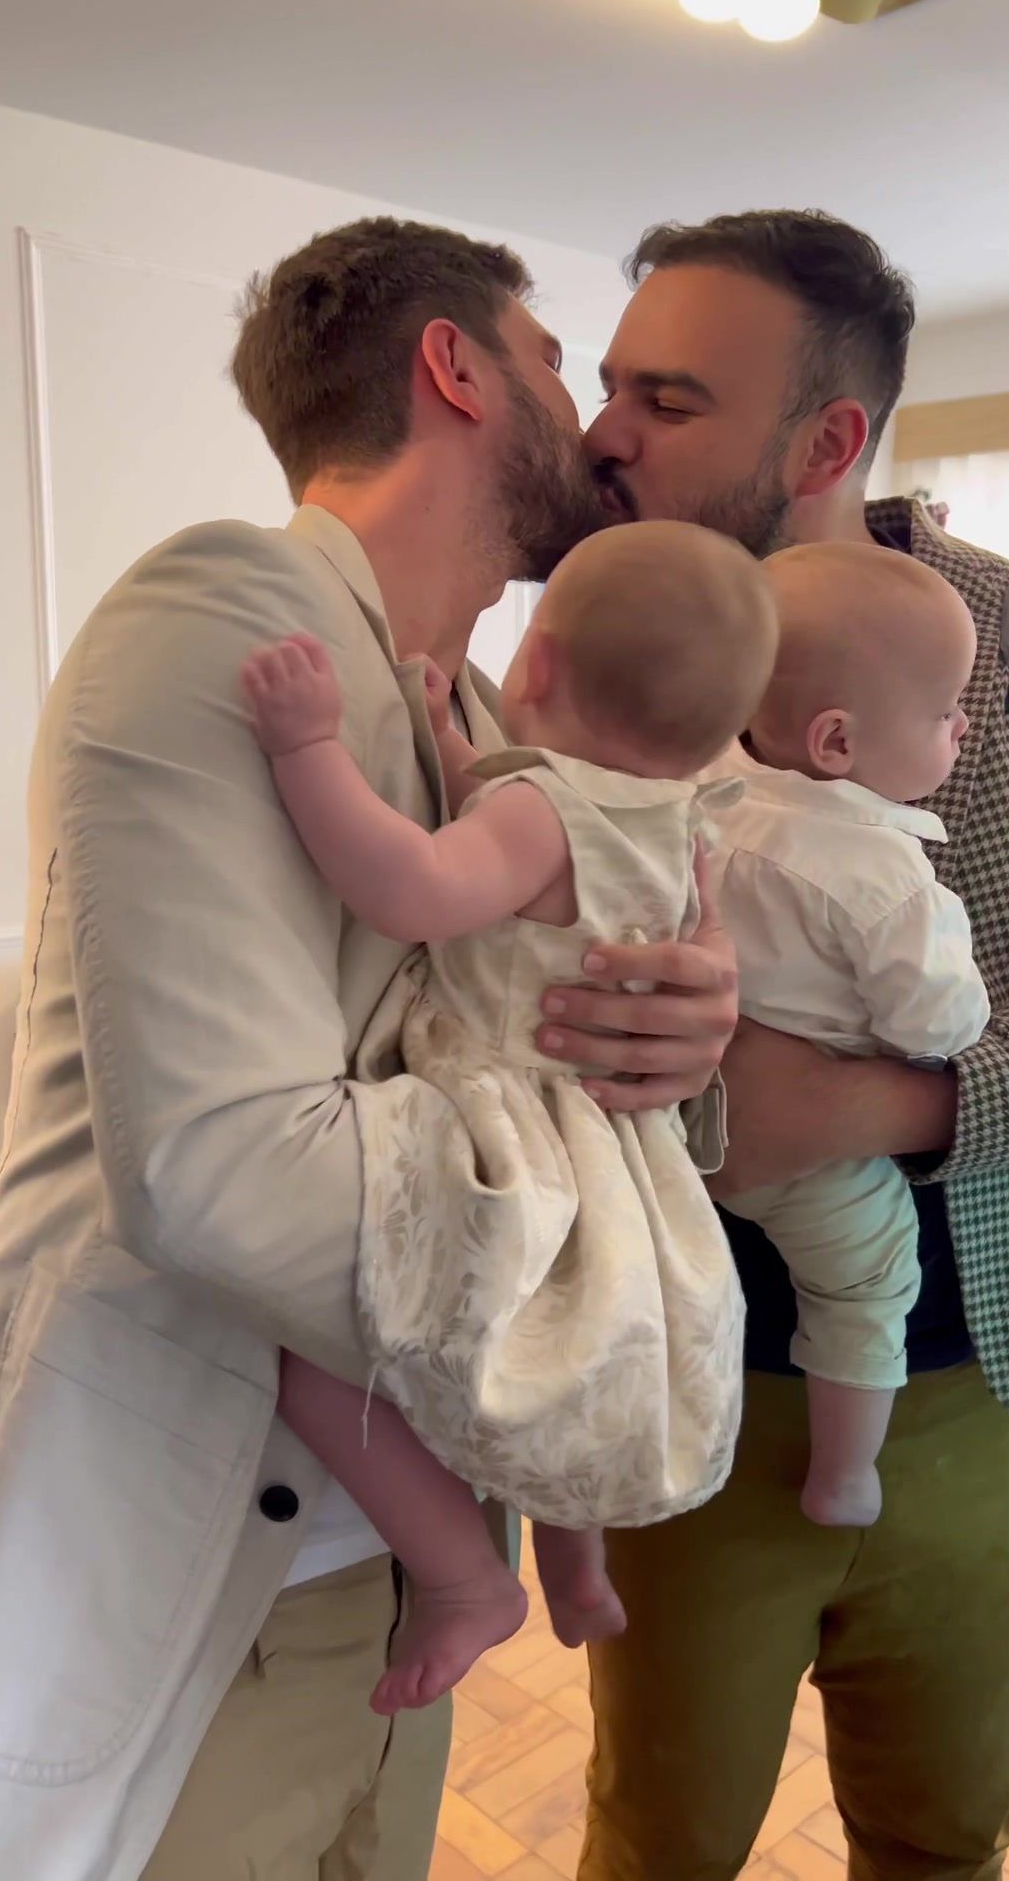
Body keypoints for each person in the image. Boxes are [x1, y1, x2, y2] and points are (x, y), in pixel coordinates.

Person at [0, 218, 738, 1881]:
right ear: (454, 368)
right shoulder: (226, 611)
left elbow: (493, 1044)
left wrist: (660, 1044)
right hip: (204, 1582)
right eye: (559, 362)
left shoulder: (474, 711)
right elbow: (216, 1175)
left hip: (397, 1570)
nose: (598, 423)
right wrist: (587, 1276)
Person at [572, 209, 1009, 1881]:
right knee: (657, 1845)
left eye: (666, 398)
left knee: (945, 1841)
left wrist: (869, 1103)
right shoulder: (596, 658)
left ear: (826, 442)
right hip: (671, 1378)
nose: (602, 433)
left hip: (978, 1385)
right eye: (608, 385)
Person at [242, 521, 776, 1715]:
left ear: (536, 664)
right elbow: (494, 816)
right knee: (567, 1350)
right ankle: (577, 1570)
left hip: (503, 1125)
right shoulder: (675, 822)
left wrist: (308, 749)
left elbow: (413, 885)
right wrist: (442, 735)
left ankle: (462, 1577)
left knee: (312, 1354)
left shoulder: (541, 810)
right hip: (611, 1153)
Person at [707, 541, 989, 1527]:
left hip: (675, 1112)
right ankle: (843, 1473)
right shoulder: (884, 874)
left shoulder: (705, 789)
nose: (963, 725)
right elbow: (937, 1023)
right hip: (815, 1160)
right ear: (836, 742)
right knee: (870, 1276)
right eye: (945, 710)